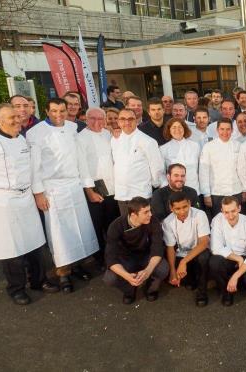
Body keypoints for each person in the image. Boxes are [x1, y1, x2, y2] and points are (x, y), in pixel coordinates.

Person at [27, 98, 99, 293]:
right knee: (59, 234)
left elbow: (80, 159)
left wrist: (88, 188)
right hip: (52, 188)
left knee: (79, 230)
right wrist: (38, 193)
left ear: (68, 111)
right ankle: (63, 272)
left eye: (62, 111)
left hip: (74, 185)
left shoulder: (72, 127)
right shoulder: (36, 132)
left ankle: (77, 265)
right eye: (54, 111)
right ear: (46, 111)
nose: (58, 115)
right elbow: (34, 167)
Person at [0, 103, 59, 305]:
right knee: (11, 248)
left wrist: (37, 193)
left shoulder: (22, 140)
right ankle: (16, 289)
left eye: (17, 116)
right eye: (11, 118)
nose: (17, 120)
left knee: (35, 242)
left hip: (26, 198)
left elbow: (32, 171)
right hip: (4, 201)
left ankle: (39, 280)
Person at [103, 197, 169, 304]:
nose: (150, 214)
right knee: (110, 278)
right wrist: (126, 276)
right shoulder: (116, 226)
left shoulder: (153, 221)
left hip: (147, 255)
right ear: (133, 214)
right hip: (126, 258)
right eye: (146, 212)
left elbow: (157, 248)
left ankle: (151, 288)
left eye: (150, 210)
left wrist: (148, 271)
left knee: (163, 269)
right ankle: (129, 290)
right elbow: (110, 257)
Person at [78, 108, 120, 267]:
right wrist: (90, 191)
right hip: (95, 186)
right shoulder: (80, 138)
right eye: (92, 119)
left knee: (112, 222)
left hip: (112, 185)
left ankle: (114, 255)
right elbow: (82, 167)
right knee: (98, 224)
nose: (97, 122)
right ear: (86, 119)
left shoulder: (107, 134)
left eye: (100, 119)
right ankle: (101, 258)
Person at [209, 196, 246, 306]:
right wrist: (237, 259)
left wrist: (236, 275)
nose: (230, 215)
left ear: (239, 208)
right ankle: (226, 291)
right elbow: (215, 247)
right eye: (226, 212)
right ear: (222, 211)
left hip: (244, 256)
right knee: (214, 262)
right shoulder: (217, 220)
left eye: (233, 211)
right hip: (228, 257)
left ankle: (234, 279)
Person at [111, 108, 165, 216]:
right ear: (118, 121)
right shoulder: (114, 139)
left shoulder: (148, 141)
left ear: (136, 120)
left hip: (141, 194)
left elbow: (157, 166)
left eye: (130, 119)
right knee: (127, 227)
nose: (127, 122)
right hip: (121, 194)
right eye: (123, 119)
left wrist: (154, 184)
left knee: (143, 227)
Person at [162, 192, 211, 307]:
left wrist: (184, 262)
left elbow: (204, 242)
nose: (182, 211)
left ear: (189, 203)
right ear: (171, 208)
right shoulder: (167, 222)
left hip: (199, 251)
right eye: (177, 208)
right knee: (181, 280)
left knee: (203, 258)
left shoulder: (200, 214)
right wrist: (173, 272)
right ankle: (192, 279)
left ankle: (202, 292)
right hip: (181, 254)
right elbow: (170, 248)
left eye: (185, 207)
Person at [199, 118, 244, 217]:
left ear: (232, 130)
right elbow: (203, 172)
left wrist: (244, 189)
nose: (225, 132)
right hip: (216, 193)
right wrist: (206, 194)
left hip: (236, 190)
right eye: (222, 129)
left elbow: (242, 170)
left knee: (237, 220)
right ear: (217, 130)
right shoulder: (208, 147)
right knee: (219, 222)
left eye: (228, 129)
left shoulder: (238, 146)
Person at [159, 118, 200, 193]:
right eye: (174, 127)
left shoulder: (195, 146)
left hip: (194, 189)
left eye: (180, 127)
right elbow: (161, 172)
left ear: (184, 129)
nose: (177, 130)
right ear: (169, 130)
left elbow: (200, 169)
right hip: (173, 191)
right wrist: (167, 187)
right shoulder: (163, 148)